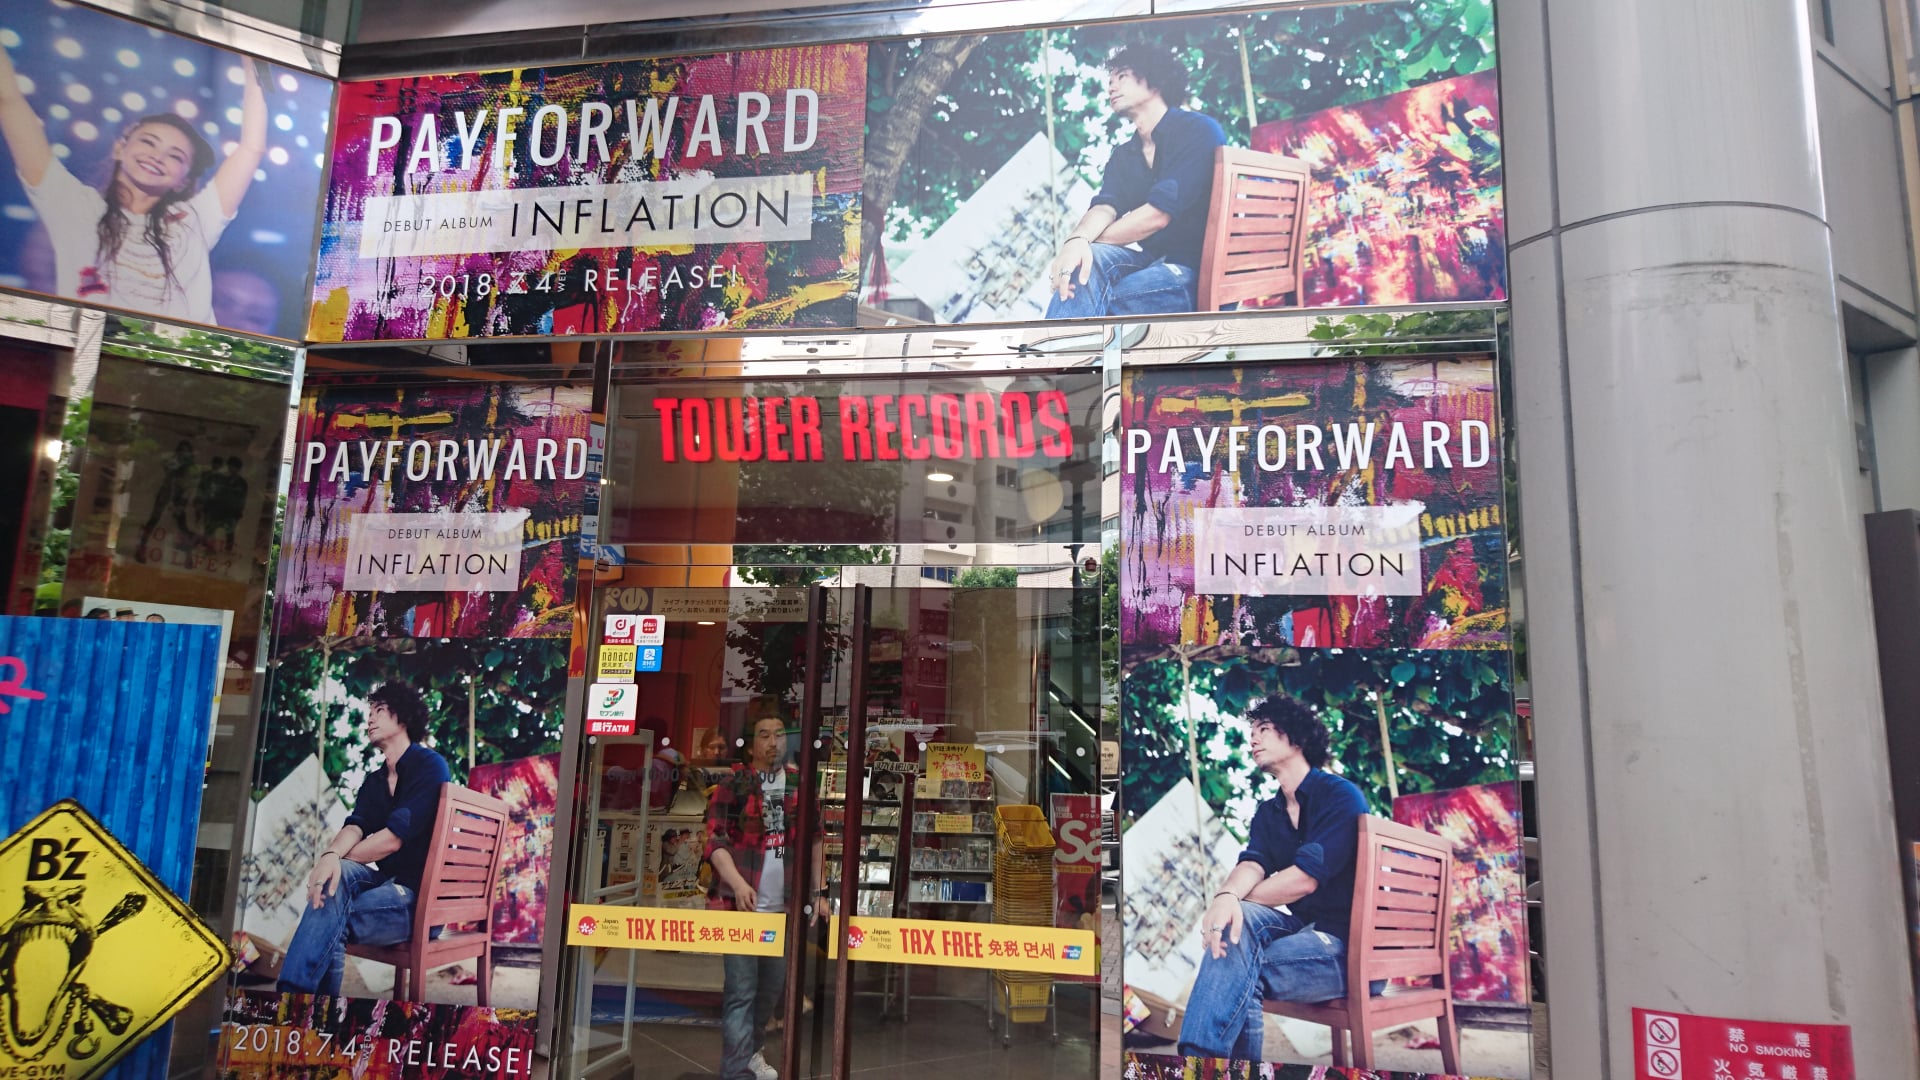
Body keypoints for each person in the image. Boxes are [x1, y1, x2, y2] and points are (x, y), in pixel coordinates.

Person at [0, 43, 266, 325]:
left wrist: (255, 63)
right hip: (92, 345)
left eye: (175, 156)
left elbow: (251, 148)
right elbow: (9, 101)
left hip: (177, 352)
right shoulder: (75, 205)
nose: (157, 157)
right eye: (148, 142)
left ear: (183, 180)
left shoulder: (196, 220)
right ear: (120, 148)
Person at [1175, 694, 1370, 1061]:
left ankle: (1199, 1064)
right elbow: (1253, 863)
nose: (1252, 739)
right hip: (1305, 933)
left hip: (1349, 949)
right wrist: (1226, 898)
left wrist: (1236, 902)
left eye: (1263, 729)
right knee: (1239, 928)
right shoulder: (1269, 812)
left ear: (1297, 738)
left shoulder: (1339, 796)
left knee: (1236, 969)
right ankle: (1208, 1064)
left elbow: (1304, 880)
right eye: (1251, 731)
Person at [277, 682, 450, 996]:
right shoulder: (374, 781)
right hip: (388, 886)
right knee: (337, 878)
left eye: (379, 710)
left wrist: (337, 861)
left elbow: (392, 840)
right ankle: (306, 1005)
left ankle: (295, 1001)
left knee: (329, 917)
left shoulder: (429, 766)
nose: (369, 718)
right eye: (369, 712)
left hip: (420, 902)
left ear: (403, 717)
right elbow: (356, 826)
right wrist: (330, 857)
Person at [1044, 46, 1226, 320]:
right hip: (1152, 263)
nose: (1111, 87)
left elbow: (1157, 216)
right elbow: (1105, 206)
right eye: (1109, 80)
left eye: (1122, 76)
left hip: (1197, 271)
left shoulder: (1198, 130)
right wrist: (1077, 241)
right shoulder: (1124, 156)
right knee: (1084, 263)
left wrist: (1087, 243)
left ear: (1155, 79)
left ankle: (1055, 347)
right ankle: (1056, 347)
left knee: (1098, 298)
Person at [704, 715, 822, 1080]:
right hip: (740, 908)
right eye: (764, 735)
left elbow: (815, 840)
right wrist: (739, 884)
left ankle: (750, 1053)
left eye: (779, 735)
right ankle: (735, 1070)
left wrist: (818, 892)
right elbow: (716, 841)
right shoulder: (735, 784)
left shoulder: (800, 786)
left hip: (781, 909)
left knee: (770, 991)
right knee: (741, 991)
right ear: (752, 744)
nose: (773, 742)